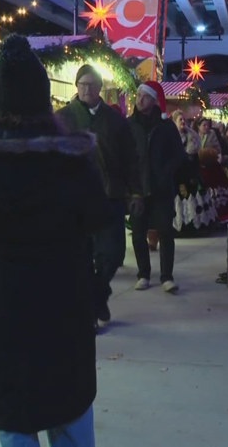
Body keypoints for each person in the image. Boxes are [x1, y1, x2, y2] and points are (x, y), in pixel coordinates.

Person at [0, 34, 106, 447]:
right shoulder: (74, 159)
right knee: (69, 412)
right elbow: (96, 216)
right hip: (63, 300)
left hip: (0, 304)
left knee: (14, 419)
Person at [57, 64, 144, 329]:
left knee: (114, 253)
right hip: (76, 200)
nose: (87, 89)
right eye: (82, 84)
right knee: (82, 256)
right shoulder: (62, 118)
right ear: (76, 87)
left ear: (99, 88)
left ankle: (98, 294)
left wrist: (136, 191)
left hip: (111, 196)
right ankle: (89, 311)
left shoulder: (115, 119)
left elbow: (130, 158)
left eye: (92, 85)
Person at [127, 81, 186, 293]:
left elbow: (178, 155)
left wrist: (165, 173)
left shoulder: (165, 126)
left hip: (161, 188)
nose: (139, 99)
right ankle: (143, 274)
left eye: (144, 96)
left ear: (153, 100)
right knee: (138, 233)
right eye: (138, 95)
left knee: (165, 232)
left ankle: (166, 276)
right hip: (137, 189)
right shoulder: (130, 124)